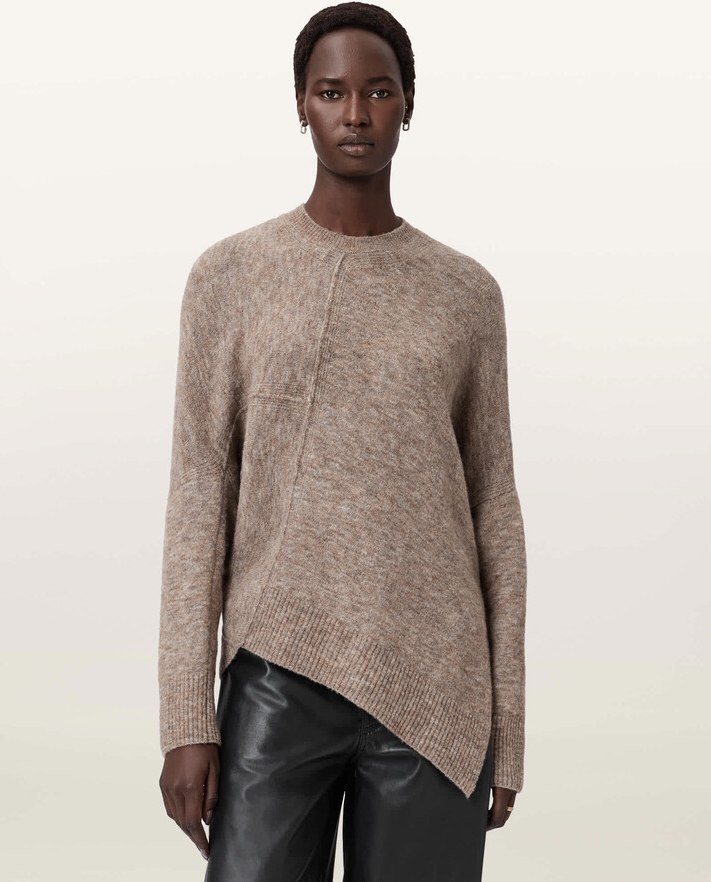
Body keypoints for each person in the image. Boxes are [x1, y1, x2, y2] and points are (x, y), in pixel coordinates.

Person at [158, 3, 527, 880]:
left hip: (435, 685)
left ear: (408, 105)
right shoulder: (230, 276)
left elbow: (495, 510)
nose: (355, 114)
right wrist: (184, 720)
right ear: (300, 104)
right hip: (277, 675)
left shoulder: (466, 293)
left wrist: (507, 729)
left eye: (378, 92)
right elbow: (199, 498)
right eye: (331, 92)